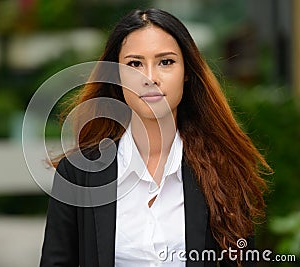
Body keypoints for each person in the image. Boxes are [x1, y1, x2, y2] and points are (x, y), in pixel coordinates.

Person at [40, 8, 271, 267]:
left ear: (186, 73)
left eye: (166, 62)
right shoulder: (78, 173)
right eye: (135, 64)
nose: (150, 78)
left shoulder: (223, 169)